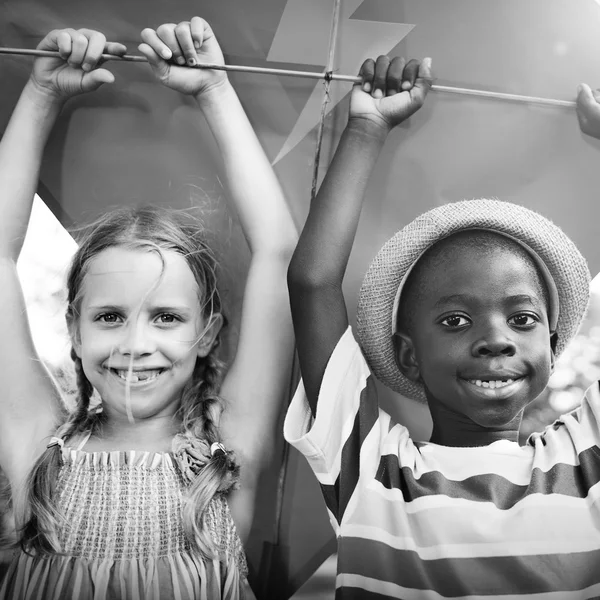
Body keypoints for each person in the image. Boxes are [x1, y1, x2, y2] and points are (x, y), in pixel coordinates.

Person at [0, 17, 296, 600]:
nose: (136, 343)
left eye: (167, 317)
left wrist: (215, 89)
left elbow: (279, 253)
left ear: (208, 333)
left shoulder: (229, 450)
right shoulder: (34, 444)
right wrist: (40, 95)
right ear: (74, 332)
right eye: (110, 317)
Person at [284, 54, 600, 598]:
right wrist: (365, 127)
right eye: (456, 320)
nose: (496, 339)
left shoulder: (587, 458)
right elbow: (313, 282)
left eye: (522, 319)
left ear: (550, 345)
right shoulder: (372, 470)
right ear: (408, 356)